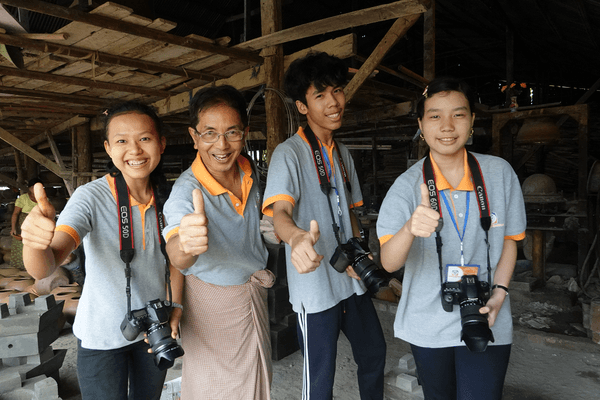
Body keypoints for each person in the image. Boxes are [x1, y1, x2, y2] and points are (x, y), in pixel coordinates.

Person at [377, 77, 527, 400]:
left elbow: (510, 241)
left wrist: (499, 294)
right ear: (421, 125)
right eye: (435, 116)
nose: (447, 126)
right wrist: (410, 228)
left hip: (487, 313)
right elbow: (388, 262)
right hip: (427, 321)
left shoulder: (499, 174)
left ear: (472, 120)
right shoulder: (406, 186)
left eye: (458, 114)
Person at [21, 101, 171, 400]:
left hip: (153, 330)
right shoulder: (90, 197)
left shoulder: (168, 197)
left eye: (145, 138)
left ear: (161, 144)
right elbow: (47, 264)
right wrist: (34, 244)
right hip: (101, 337)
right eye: (122, 141)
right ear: (108, 148)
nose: (135, 150)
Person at [262, 52, 386, 400]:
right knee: (319, 379)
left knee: (374, 353)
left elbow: (352, 214)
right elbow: (279, 212)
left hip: (351, 280)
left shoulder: (343, 153)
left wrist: (362, 253)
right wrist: (296, 238)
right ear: (302, 106)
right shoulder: (289, 154)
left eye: (337, 90)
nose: (333, 102)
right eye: (320, 95)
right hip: (316, 289)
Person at [163, 85, 274, 400]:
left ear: (245, 133)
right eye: (209, 133)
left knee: (256, 383)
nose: (222, 145)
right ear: (194, 136)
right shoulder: (186, 193)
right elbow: (177, 253)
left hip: (252, 295)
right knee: (214, 388)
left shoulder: (248, 171)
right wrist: (185, 244)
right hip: (210, 305)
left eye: (232, 132)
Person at [10, 177, 41, 269]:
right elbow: (15, 214)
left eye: (39, 187)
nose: (35, 189)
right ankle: (22, 267)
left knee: (37, 246)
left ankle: (36, 267)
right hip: (24, 225)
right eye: (33, 187)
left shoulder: (44, 199)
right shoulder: (23, 198)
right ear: (29, 188)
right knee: (22, 245)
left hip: (38, 226)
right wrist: (13, 228)